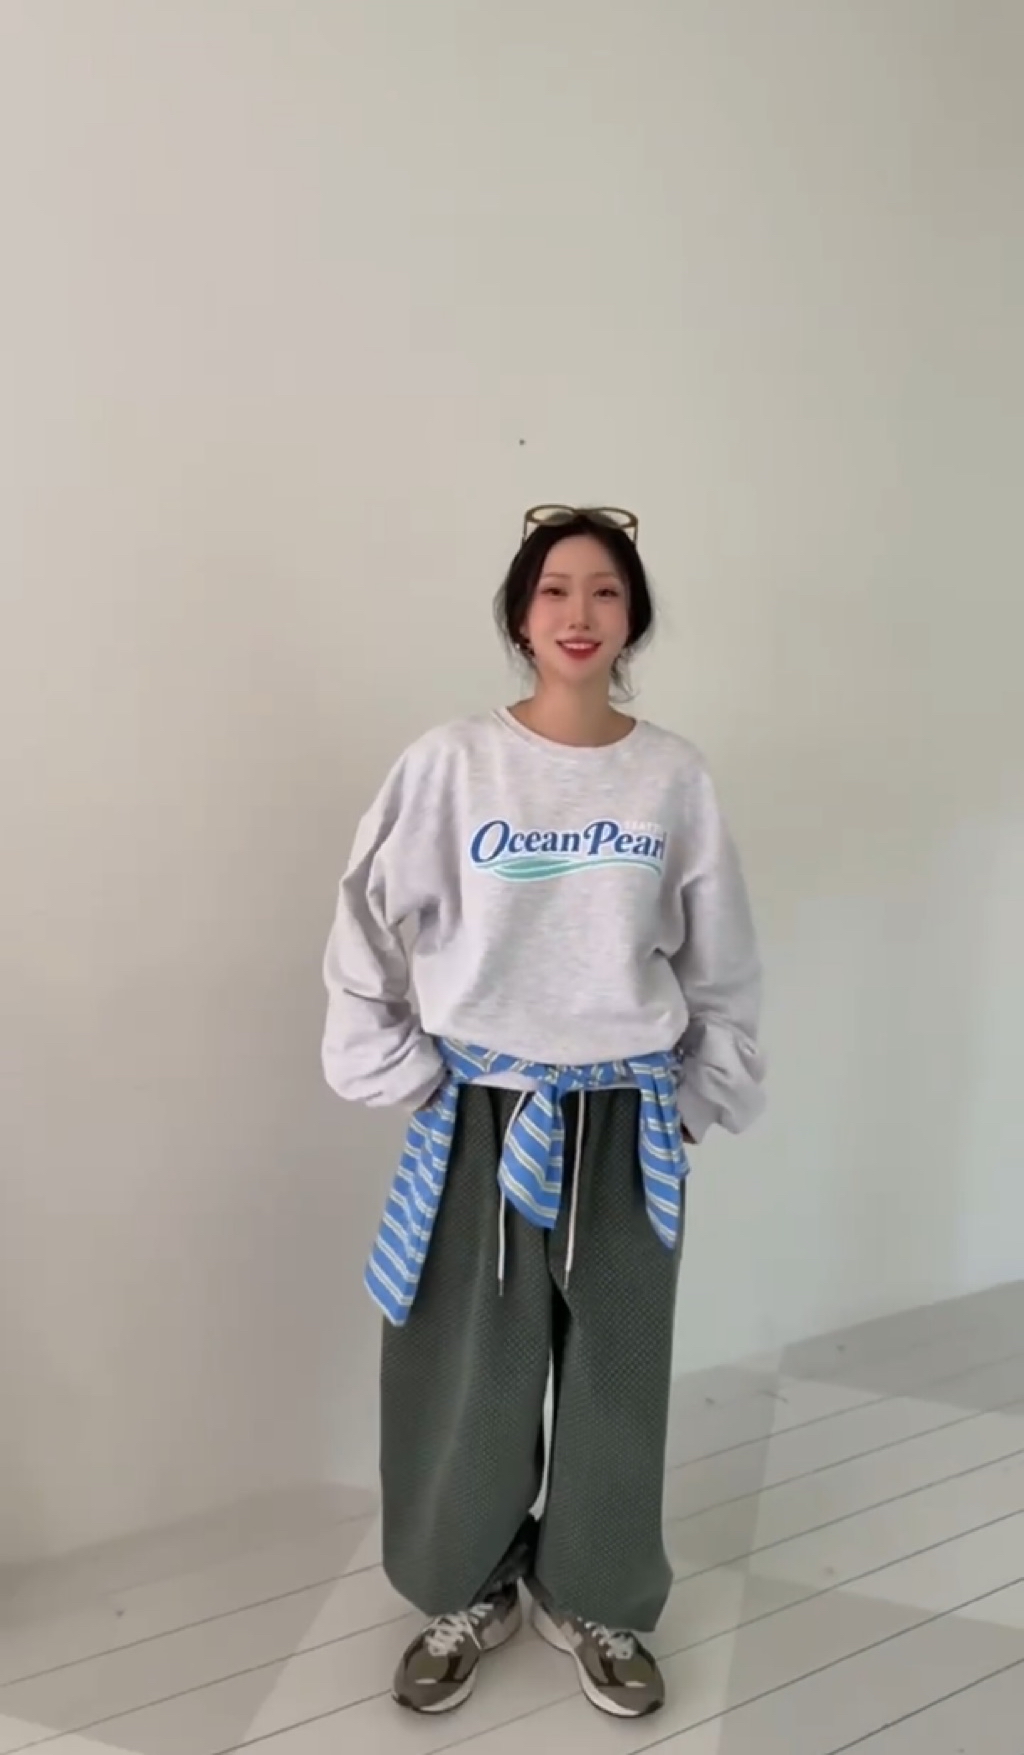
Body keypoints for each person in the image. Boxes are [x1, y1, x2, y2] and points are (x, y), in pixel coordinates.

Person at [321, 505, 765, 1720]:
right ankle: (465, 1584)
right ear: (521, 615)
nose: (580, 613)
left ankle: (598, 1593)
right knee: (470, 1367)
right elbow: (364, 920)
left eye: (605, 591)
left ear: (633, 618)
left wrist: (695, 1098)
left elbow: (722, 958)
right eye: (556, 589)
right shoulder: (453, 763)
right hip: (480, 1111)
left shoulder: (672, 776)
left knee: (618, 1368)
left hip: (626, 1117)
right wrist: (404, 1071)